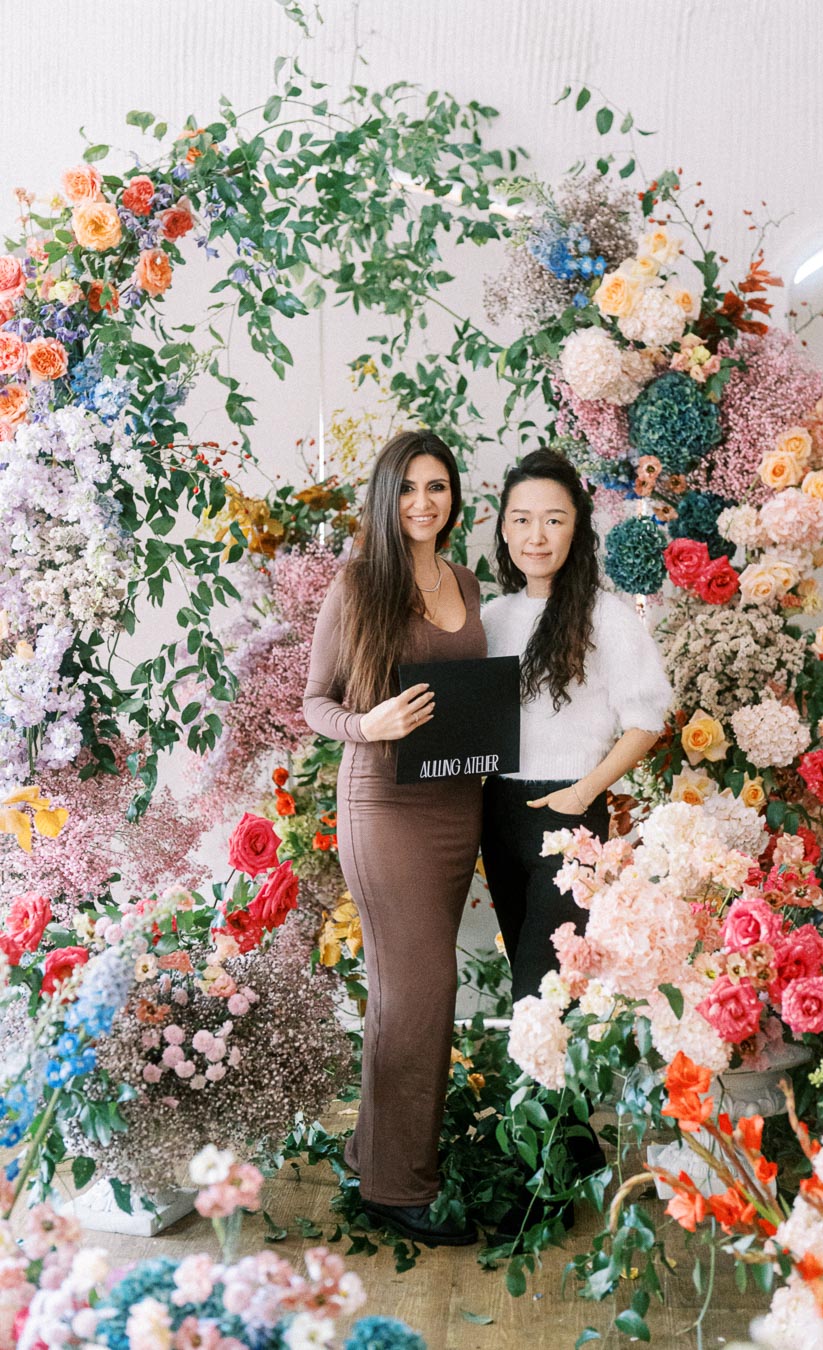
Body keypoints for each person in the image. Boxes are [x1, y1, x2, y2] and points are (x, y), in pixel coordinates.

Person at [303, 429, 485, 1246]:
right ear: (387, 495)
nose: (423, 502)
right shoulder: (356, 584)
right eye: (408, 487)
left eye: (437, 487)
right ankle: (398, 1188)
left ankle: (371, 1151)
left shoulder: (467, 582)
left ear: (453, 497)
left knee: (409, 996)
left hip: (455, 808)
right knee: (420, 993)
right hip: (383, 804)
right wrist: (364, 723)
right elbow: (314, 702)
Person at [481, 447, 673, 1003]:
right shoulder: (491, 620)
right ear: (504, 529)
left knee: (545, 989)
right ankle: (553, 1091)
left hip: (570, 814)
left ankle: (548, 1088)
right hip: (498, 813)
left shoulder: (607, 617)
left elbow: (646, 720)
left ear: (576, 531)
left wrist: (585, 791)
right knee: (528, 969)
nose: (535, 536)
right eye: (521, 520)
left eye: (553, 520)